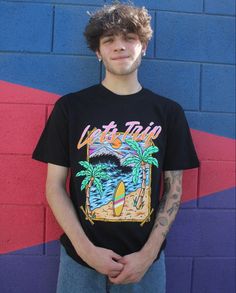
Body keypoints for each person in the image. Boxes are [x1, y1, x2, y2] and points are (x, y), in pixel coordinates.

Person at [32, 2, 199, 292]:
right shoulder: (71, 108)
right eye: (109, 40)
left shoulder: (169, 112)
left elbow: (173, 190)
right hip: (79, 262)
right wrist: (86, 250)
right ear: (98, 52)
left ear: (144, 46)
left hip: (144, 263)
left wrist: (147, 255)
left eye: (129, 39)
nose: (120, 47)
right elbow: (54, 186)